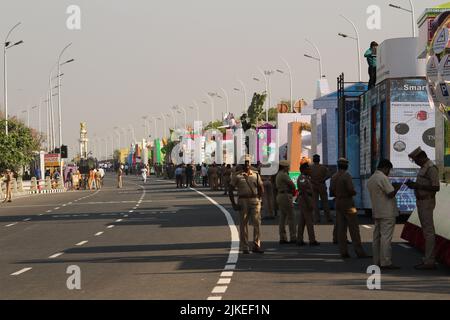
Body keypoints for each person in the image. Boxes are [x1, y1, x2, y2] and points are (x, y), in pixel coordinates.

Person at [406, 147, 440, 270]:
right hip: (421, 202)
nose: (416, 162)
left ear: (422, 157)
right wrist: (414, 186)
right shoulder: (424, 168)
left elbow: (436, 187)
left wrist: (417, 185)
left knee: (428, 232)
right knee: (426, 231)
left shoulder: (431, 168)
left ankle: (429, 261)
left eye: (416, 160)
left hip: (427, 202)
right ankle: (428, 258)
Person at [330, 158, 370, 259]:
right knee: (354, 227)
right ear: (346, 166)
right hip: (348, 203)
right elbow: (351, 189)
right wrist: (354, 193)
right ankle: (359, 251)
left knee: (341, 228)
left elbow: (331, 191)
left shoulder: (334, 176)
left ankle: (343, 252)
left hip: (338, 202)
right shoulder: (347, 176)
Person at [367, 159, 401, 270]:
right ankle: (386, 262)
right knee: (386, 238)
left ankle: (376, 261)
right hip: (387, 212)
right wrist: (397, 187)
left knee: (377, 237)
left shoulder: (372, 178)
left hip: (377, 211)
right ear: (385, 168)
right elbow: (390, 193)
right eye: (389, 170)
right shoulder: (382, 177)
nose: (389, 172)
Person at [229, 155, 265, 254]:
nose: (247, 164)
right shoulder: (237, 175)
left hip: (254, 200)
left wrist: (260, 199)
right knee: (243, 224)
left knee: (257, 223)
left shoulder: (256, 174)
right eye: (245, 162)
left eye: (248, 162)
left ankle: (256, 245)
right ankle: (245, 246)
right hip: (243, 201)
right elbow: (230, 190)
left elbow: (261, 187)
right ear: (241, 164)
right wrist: (233, 204)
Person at [296, 163, 320, 246]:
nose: (310, 170)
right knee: (309, 221)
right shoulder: (302, 178)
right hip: (305, 200)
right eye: (308, 169)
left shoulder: (306, 178)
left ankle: (299, 239)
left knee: (302, 221)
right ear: (304, 169)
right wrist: (309, 203)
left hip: (305, 199)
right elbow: (303, 191)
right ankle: (312, 240)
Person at [276, 160, 297, 244]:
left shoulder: (278, 174)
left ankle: (282, 237)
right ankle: (293, 237)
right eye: (288, 167)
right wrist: (293, 192)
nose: (288, 168)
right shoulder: (284, 175)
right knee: (291, 217)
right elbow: (292, 185)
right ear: (284, 167)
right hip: (285, 196)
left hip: (280, 195)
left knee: (282, 217)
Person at [310, 154, 332, 223]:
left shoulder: (310, 167)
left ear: (313, 160)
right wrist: (323, 180)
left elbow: (307, 176)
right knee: (325, 202)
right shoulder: (323, 167)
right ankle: (328, 218)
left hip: (313, 186)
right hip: (322, 185)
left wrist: (313, 181)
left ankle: (317, 219)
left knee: (315, 203)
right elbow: (329, 175)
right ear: (319, 160)